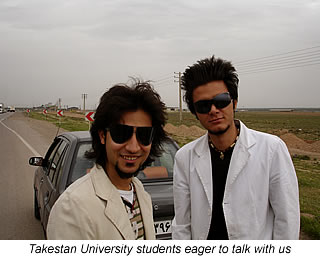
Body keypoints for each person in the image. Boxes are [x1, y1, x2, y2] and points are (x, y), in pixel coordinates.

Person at [172, 55, 300, 240]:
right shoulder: (185, 157)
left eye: (221, 100)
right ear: (195, 113)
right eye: (203, 105)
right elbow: (182, 224)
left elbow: (287, 220)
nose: (214, 110)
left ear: (234, 103)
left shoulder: (271, 149)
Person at [47, 80, 168, 239]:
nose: (133, 147)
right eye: (121, 134)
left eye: (144, 136)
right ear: (103, 135)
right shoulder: (72, 207)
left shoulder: (140, 193)